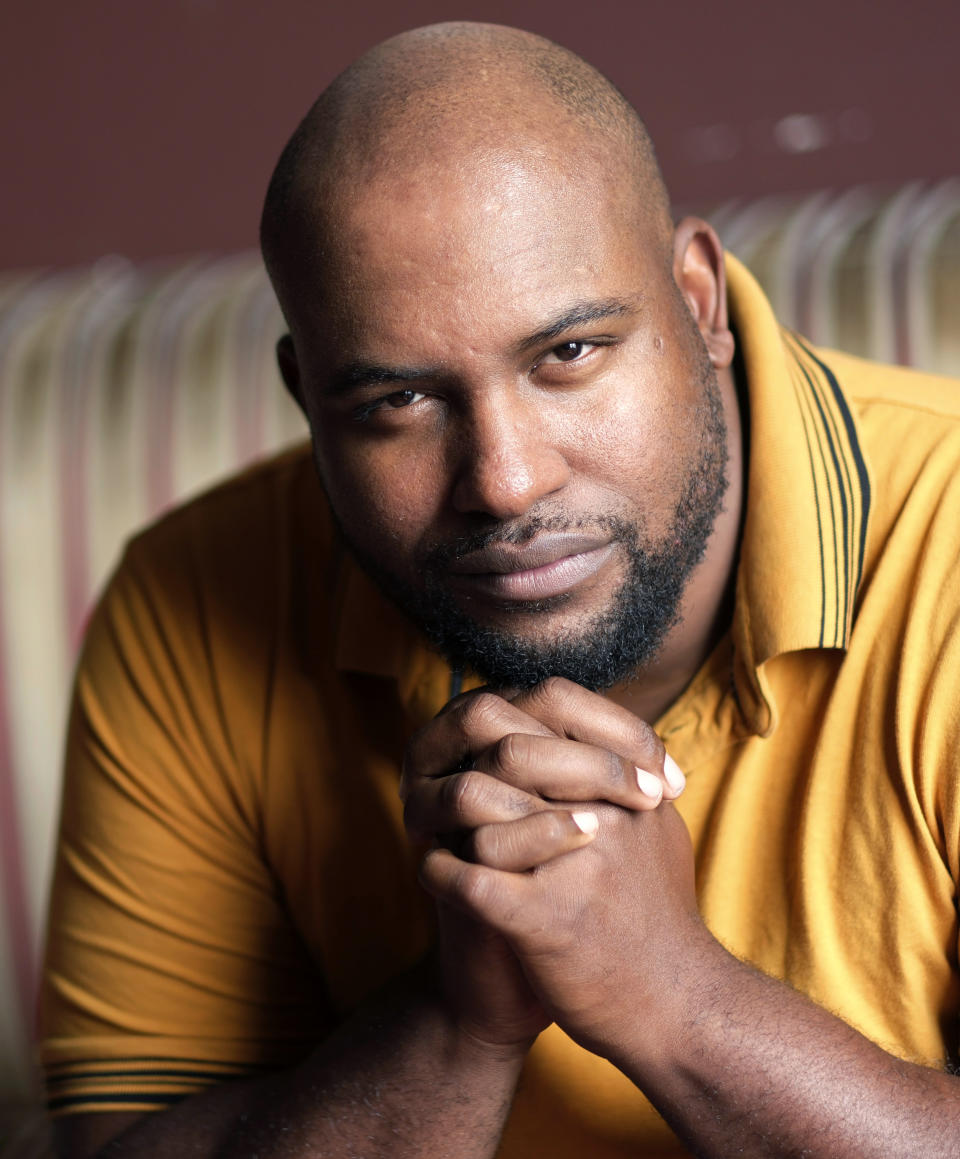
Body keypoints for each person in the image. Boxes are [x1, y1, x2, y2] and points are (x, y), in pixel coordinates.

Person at [40, 20, 960, 1159]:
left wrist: (676, 997)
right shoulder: (190, 600)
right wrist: (454, 1021)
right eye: (396, 403)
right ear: (307, 397)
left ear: (700, 302)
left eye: (568, 354)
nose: (506, 479)